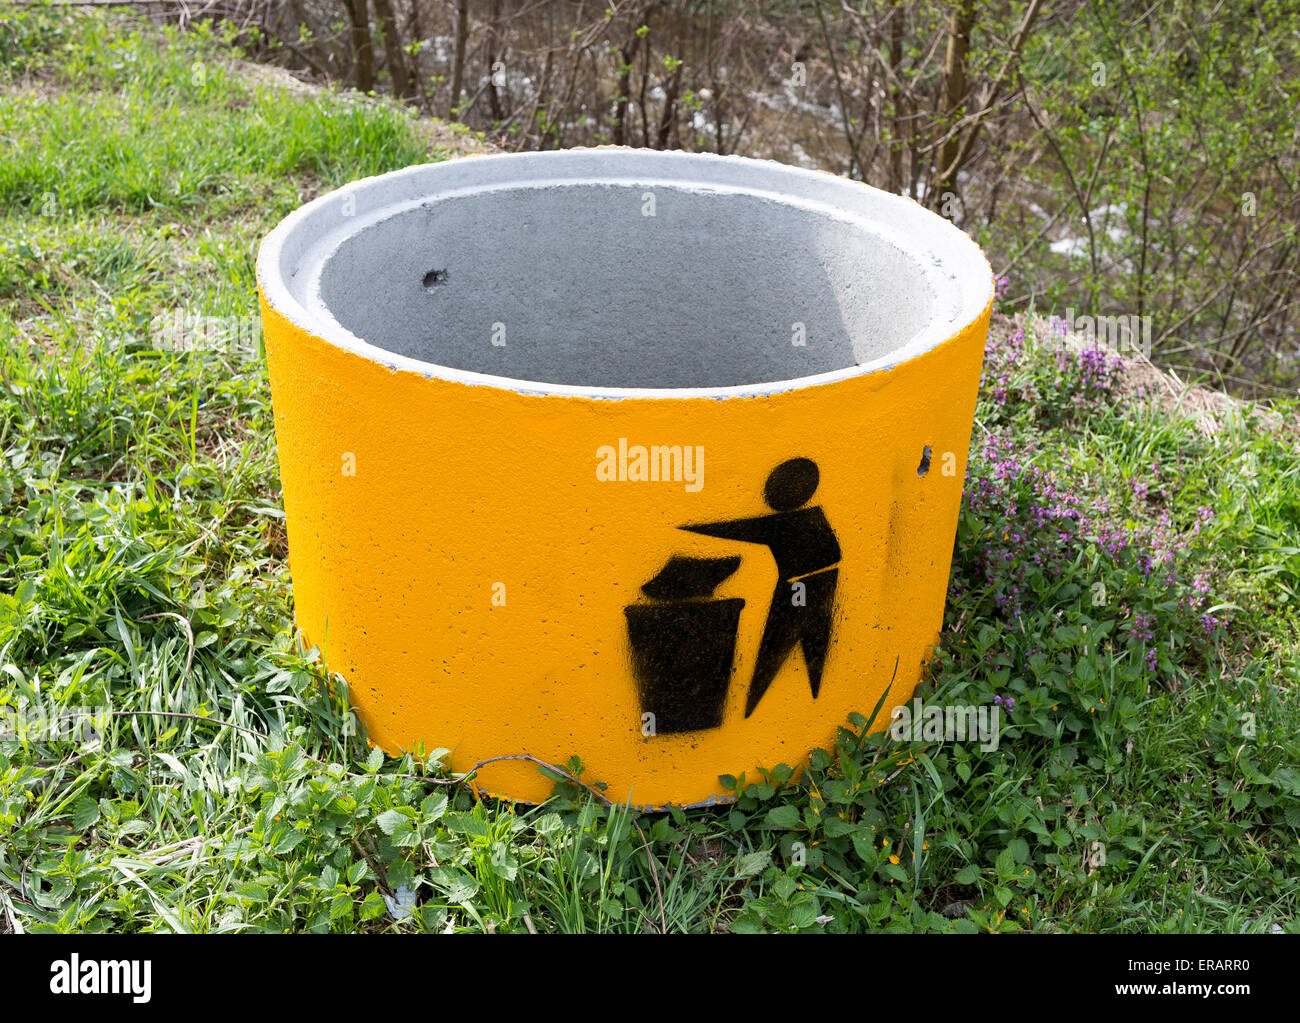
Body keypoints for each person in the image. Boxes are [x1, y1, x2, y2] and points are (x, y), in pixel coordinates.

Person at [679, 457, 840, 717]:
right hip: (822, 582)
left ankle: (756, 707)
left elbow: (739, 528)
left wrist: (692, 527)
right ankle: (813, 704)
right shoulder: (814, 516)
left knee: (773, 656)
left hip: (796, 588)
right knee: (814, 650)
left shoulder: (787, 522)